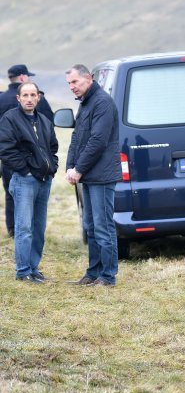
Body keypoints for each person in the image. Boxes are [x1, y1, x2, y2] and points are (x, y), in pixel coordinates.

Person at [64, 64, 122, 288]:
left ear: (88, 79)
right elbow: (78, 138)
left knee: (103, 226)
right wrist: (71, 166)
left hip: (102, 176)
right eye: (69, 83)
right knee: (90, 225)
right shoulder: (86, 103)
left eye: (75, 82)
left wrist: (78, 169)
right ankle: (93, 272)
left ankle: (107, 277)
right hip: (88, 175)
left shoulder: (102, 103)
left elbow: (97, 141)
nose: (71, 87)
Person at [0, 82, 58, 283]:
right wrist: (25, 171)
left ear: (38, 97)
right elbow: (6, 149)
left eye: (33, 95)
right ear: (18, 98)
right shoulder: (10, 119)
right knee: (24, 228)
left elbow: (52, 147)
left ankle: (33, 268)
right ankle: (23, 271)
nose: (29, 99)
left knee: (38, 228)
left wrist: (52, 168)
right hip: (24, 181)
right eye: (25, 95)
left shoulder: (43, 120)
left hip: (44, 180)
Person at [0, 64, 53, 237]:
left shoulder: (0, 99)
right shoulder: (38, 99)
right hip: (33, 161)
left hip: (7, 159)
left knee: (10, 193)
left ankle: (13, 229)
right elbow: (49, 124)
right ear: (23, 78)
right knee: (33, 198)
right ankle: (27, 231)